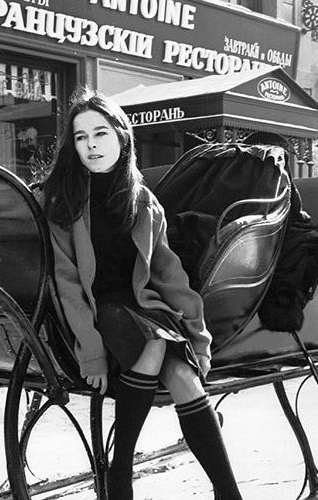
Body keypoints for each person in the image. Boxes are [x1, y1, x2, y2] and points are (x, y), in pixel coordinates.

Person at [43, 86, 242, 500]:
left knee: (187, 377)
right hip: (99, 312)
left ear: (121, 135)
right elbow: (64, 281)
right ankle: (121, 474)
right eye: (81, 137)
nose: (91, 145)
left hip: (145, 309)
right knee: (154, 345)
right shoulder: (62, 199)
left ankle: (228, 493)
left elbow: (170, 276)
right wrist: (91, 350)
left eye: (100, 133)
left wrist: (199, 337)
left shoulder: (143, 202)